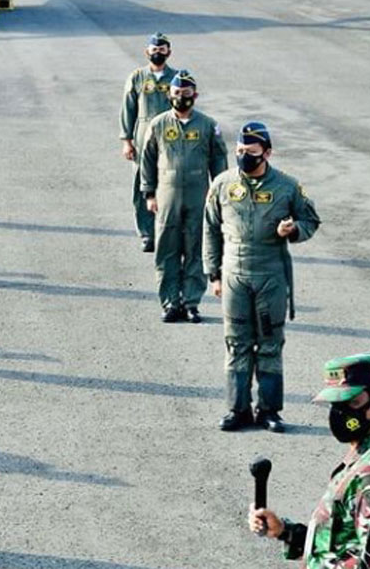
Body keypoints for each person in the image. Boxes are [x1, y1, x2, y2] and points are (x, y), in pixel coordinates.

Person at [203, 121, 320, 433]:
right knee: (236, 343)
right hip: (234, 276)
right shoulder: (223, 184)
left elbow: (310, 219)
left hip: (270, 275)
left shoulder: (287, 187)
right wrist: (213, 274)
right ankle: (237, 409)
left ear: (267, 153)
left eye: (251, 153)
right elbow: (211, 229)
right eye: (240, 151)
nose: (244, 157)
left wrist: (293, 229)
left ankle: (269, 410)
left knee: (269, 344)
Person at [248, 353, 370, 568]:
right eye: (335, 404)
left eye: (351, 402)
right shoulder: (366, 453)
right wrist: (284, 531)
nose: (340, 413)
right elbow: (342, 543)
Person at [140, 70, 227, 323]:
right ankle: (170, 303)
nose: (181, 98)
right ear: (169, 95)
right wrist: (149, 193)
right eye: (177, 94)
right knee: (166, 250)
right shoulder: (159, 124)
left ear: (195, 96)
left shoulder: (208, 125)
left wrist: (218, 191)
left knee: (195, 248)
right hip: (166, 195)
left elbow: (219, 158)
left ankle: (191, 303)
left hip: (198, 195)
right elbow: (147, 158)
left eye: (186, 94)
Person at [120, 32, 177, 252]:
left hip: (170, 140)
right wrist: (127, 140)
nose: (158, 53)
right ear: (147, 52)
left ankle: (167, 232)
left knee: (170, 186)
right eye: (154, 50)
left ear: (168, 52)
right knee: (143, 186)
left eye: (162, 50)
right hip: (143, 139)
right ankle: (146, 233)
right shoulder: (137, 78)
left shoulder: (177, 78)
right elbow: (128, 109)